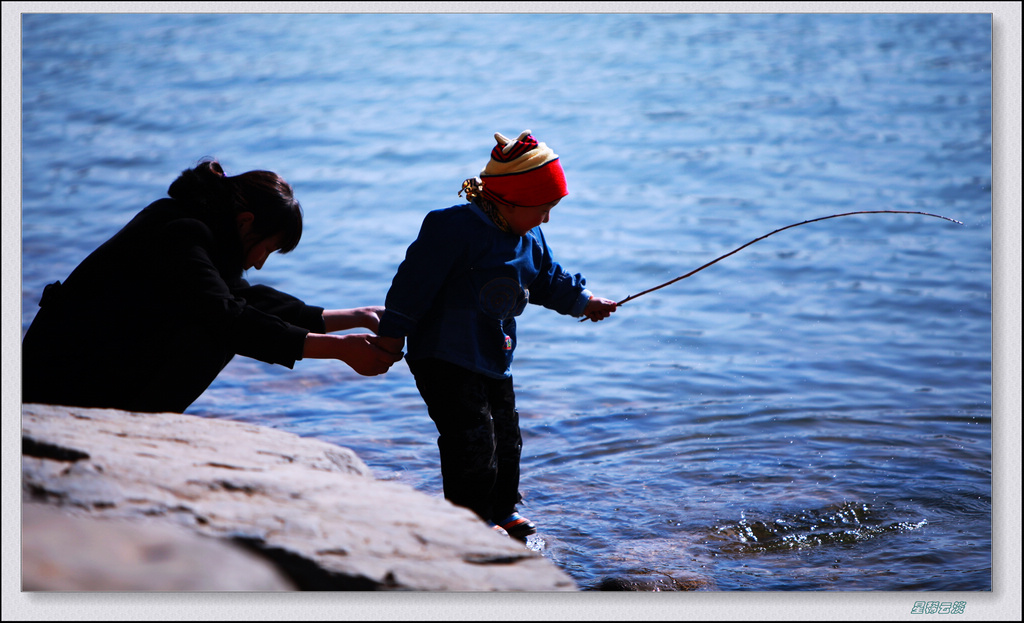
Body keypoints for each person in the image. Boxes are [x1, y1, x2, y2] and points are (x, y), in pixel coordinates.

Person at [375, 130, 617, 540]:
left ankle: (503, 510)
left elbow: (546, 280)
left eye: (551, 209)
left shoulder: (529, 235)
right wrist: (390, 336)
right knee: (471, 440)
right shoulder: (452, 229)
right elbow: (411, 286)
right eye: (542, 208)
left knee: (507, 437)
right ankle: (468, 521)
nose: (546, 219)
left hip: (494, 354)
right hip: (444, 356)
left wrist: (584, 300)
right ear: (507, 199)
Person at [22, 159, 402, 414]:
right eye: (266, 248)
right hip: (57, 381)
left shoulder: (200, 226)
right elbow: (226, 317)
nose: (258, 262)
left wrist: (357, 317)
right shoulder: (180, 231)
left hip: (81, 366)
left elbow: (244, 299)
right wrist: (339, 350)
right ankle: (137, 426)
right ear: (246, 221)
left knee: (230, 321)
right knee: (218, 333)